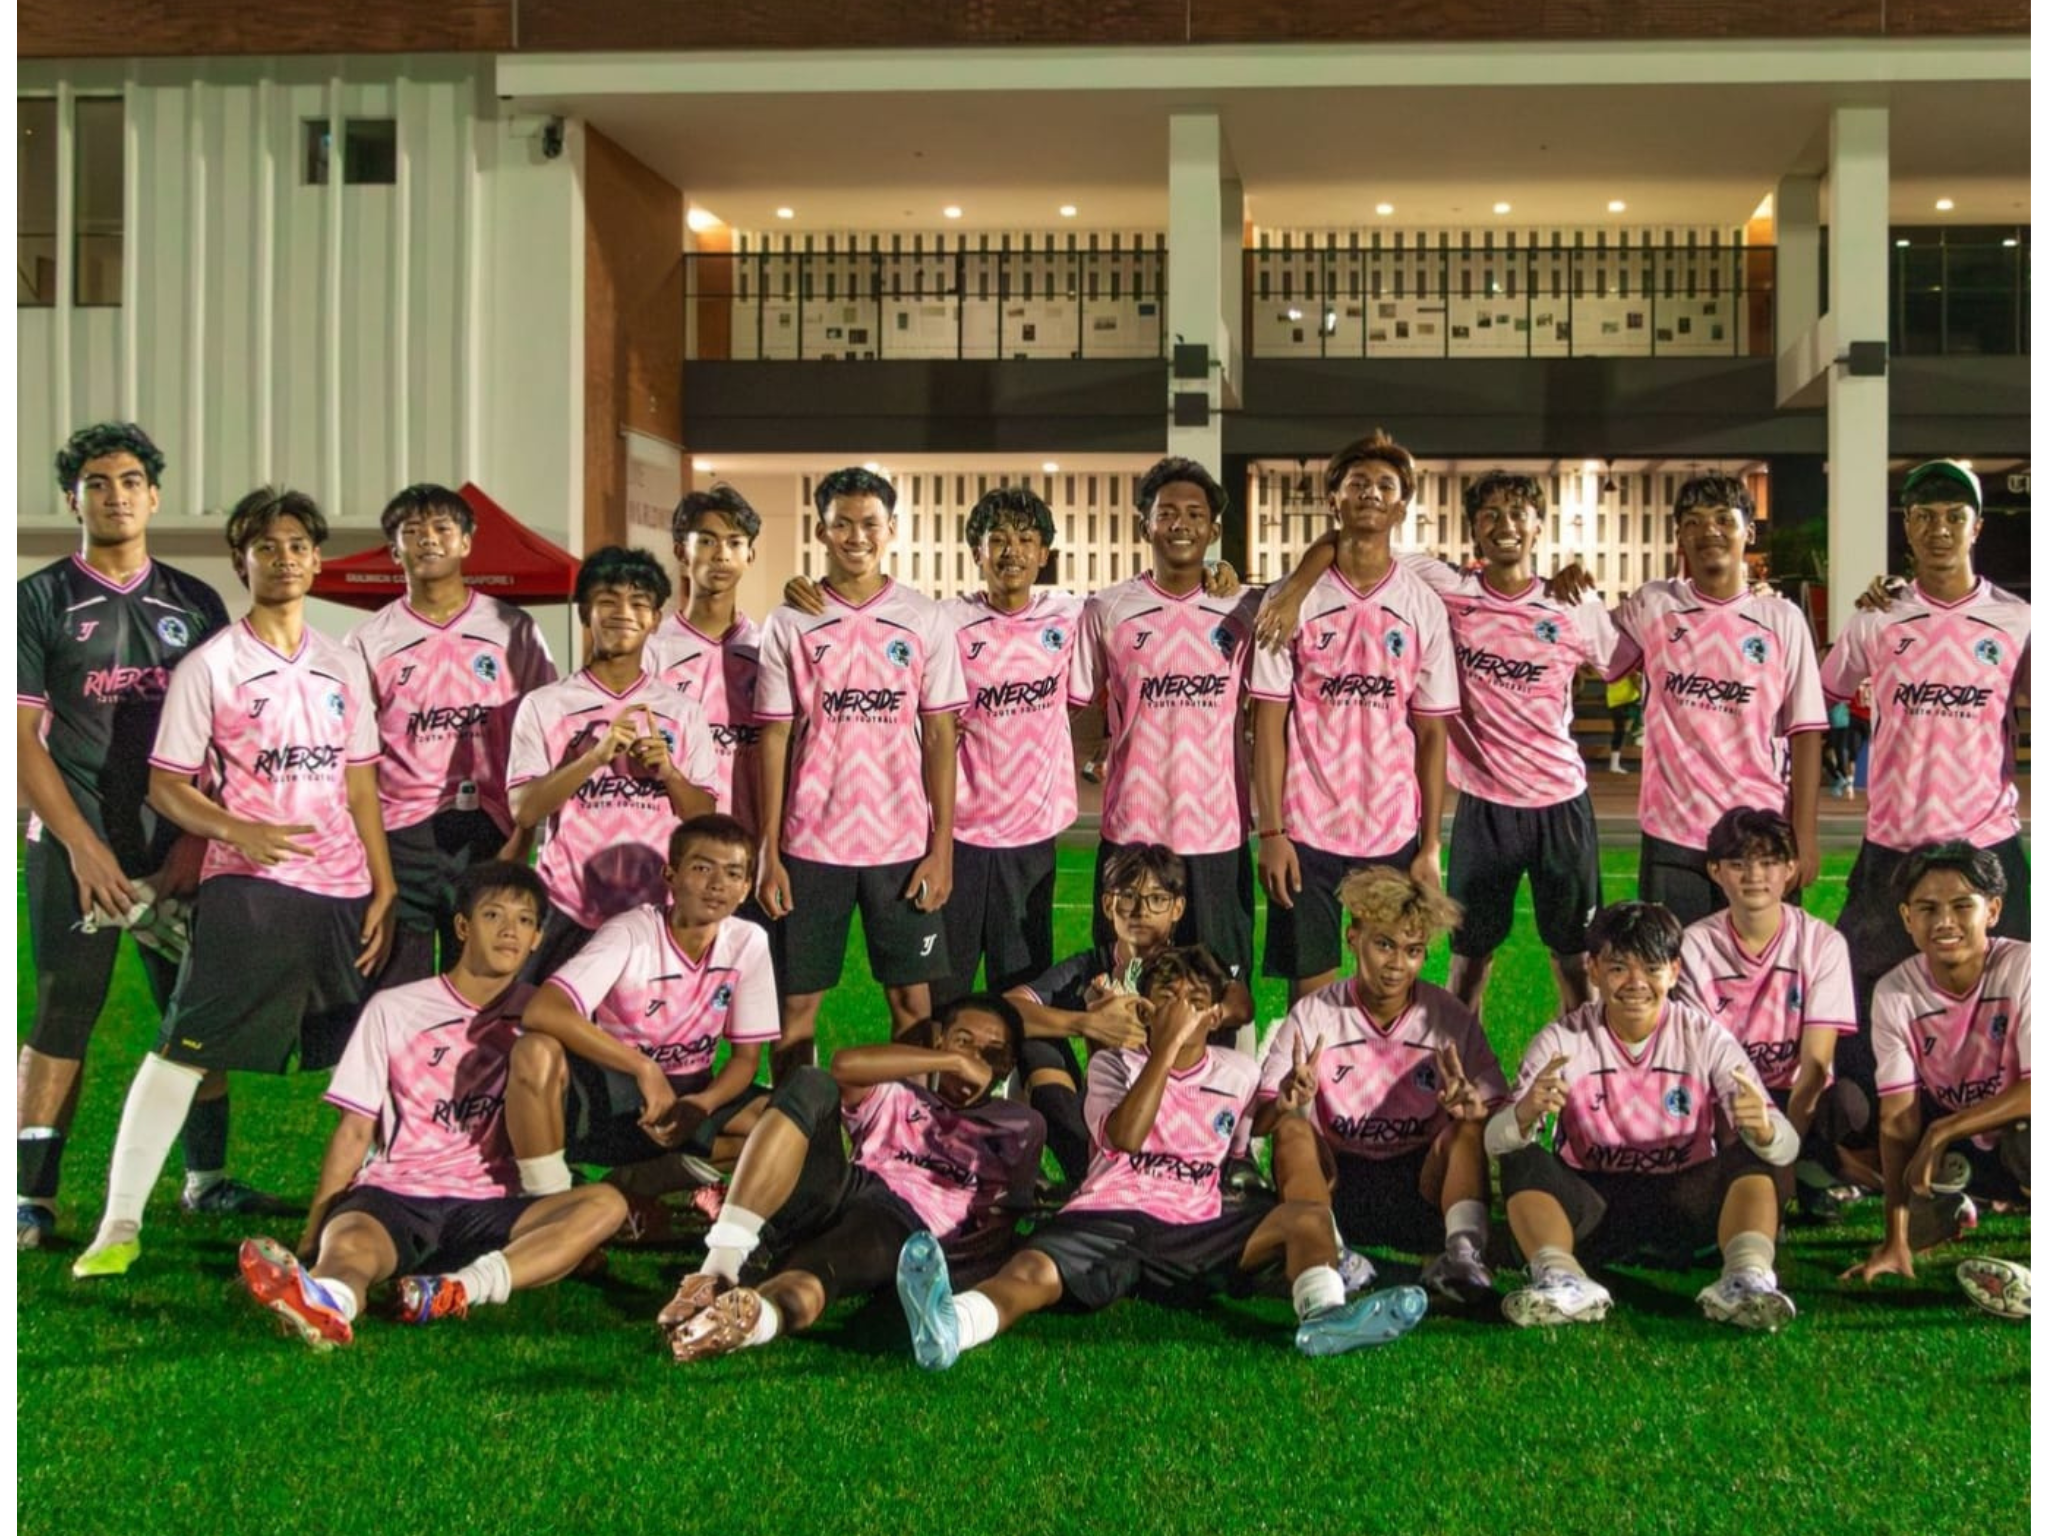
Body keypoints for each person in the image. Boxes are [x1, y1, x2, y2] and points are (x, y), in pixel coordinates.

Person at [73, 487, 397, 1279]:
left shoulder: (341, 660)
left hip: (343, 893)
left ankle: (395, 1204)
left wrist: (383, 885)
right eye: (266, 545)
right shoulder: (210, 665)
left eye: (297, 545)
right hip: (250, 892)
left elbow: (360, 786)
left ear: (316, 560)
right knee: (184, 1050)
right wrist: (237, 830)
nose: (283, 557)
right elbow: (167, 785)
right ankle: (118, 1224)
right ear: (240, 561)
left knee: (380, 1057)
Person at [891, 947, 1431, 1368]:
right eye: (1167, 996)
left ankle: (1325, 1317)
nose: (1180, 1008)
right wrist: (1166, 1050)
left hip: (1195, 1226)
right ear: (1148, 1008)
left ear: (1216, 1013)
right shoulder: (1114, 1067)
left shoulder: (1236, 1072)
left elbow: (1252, 1125)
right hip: (1109, 1213)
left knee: (1307, 1218)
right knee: (1033, 1272)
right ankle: (951, 1326)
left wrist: (1288, 1099)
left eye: (1194, 999)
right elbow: (1125, 1136)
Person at [16, 423, 279, 1247]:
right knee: (67, 1009)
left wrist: (192, 849)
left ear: (154, 496)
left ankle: (206, 1180)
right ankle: (32, 1197)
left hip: (172, 845)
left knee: (193, 1011)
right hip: (74, 840)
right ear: (74, 499)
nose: (116, 495)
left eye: (131, 481)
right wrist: (84, 847)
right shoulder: (38, 598)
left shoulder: (192, 604)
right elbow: (19, 740)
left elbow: (221, 739)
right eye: (97, 483)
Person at [1258, 465, 1614, 1015]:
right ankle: (1454, 1076)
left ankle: (1591, 1083)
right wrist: (1300, 584)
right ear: (1473, 530)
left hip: (1560, 804)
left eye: (1518, 514)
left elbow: (1624, 659)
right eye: (1490, 515)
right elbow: (1350, 538)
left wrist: (1579, 580)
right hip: (1482, 805)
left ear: (1540, 527)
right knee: (1467, 962)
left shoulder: (1573, 608)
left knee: (1573, 960)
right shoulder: (1447, 588)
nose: (1504, 525)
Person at [234, 862, 626, 1349]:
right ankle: (328, 1302)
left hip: (497, 1203)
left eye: (525, 921)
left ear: (537, 938)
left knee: (605, 1204)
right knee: (351, 1244)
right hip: (400, 1193)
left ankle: (456, 1290)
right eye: (493, 915)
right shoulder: (395, 1009)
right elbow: (355, 1131)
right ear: (462, 927)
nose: (509, 930)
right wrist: (315, 1228)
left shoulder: (545, 1015)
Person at [659, 995, 1046, 1362]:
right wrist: (950, 1061)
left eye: (991, 1051)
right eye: (964, 1041)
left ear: (1007, 1063)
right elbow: (842, 1066)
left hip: (902, 1222)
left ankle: (755, 1318)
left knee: (823, 1270)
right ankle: (716, 1271)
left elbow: (1002, 1217)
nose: (974, 1058)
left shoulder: (1019, 1124)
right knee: (811, 1082)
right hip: (842, 1188)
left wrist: (951, 1272)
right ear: (940, 1039)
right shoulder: (900, 1093)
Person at [1819, 460, 2030, 1099]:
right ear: (1907, 529)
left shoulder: (2019, 621)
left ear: (1976, 528)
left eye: (1953, 517)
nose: (1940, 529)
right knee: (1854, 982)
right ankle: (1860, 1132)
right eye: (1924, 517)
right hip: (1895, 842)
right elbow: (1819, 695)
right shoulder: (1877, 619)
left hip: (1986, 841)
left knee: (2014, 988)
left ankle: (2007, 1129)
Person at [1488, 902, 1802, 1331]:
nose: (1636, 983)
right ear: (1594, 970)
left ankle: (1746, 1280)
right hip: (1595, 1211)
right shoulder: (1563, 1039)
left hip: (1684, 1202)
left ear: (1674, 972)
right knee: (1520, 1156)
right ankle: (1561, 1278)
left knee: (1760, 1152)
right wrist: (1523, 1114)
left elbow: (1788, 1145)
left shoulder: (1704, 1036)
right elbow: (1495, 1141)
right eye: (1619, 968)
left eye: (1652, 968)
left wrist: (1765, 1128)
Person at [754, 467, 967, 1074]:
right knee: (796, 1007)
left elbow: (941, 735)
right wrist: (770, 849)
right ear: (821, 531)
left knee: (912, 1003)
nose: (856, 535)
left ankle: (907, 1134)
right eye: (842, 523)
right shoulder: (790, 621)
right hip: (810, 843)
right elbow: (774, 735)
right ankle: (803, 1144)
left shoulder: (924, 618)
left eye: (869, 523)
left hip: (900, 843)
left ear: (891, 530)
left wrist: (941, 846)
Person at [1246, 431, 1459, 1000]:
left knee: (1386, 991)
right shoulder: (1289, 603)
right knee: (1310, 997)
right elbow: (1268, 724)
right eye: (1356, 483)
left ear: (1402, 506)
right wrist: (1271, 831)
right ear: (1332, 500)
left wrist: (1431, 844)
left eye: (1385, 485)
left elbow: (1432, 732)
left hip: (1390, 830)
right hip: (1307, 829)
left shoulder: (1422, 605)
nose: (1370, 493)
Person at [1251, 867, 1506, 1306]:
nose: (1395, 963)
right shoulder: (1315, 1014)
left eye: (1412, 950)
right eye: (1384, 945)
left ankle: (1463, 1258)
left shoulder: (1447, 1016)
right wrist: (1285, 1104)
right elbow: (1259, 1122)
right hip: (1337, 1185)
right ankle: (1329, 1251)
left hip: (1421, 1184)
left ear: (1424, 956)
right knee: (1292, 1130)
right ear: (1354, 939)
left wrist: (1476, 1109)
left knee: (1468, 1130)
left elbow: (1500, 1112)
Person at [347, 483, 557, 985]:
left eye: (442, 528)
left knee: (484, 979)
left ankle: (476, 1066)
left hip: (491, 828)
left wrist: (526, 832)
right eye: (412, 531)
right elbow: (354, 756)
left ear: (466, 541)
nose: (428, 540)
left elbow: (547, 731)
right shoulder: (368, 639)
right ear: (394, 549)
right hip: (405, 830)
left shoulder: (514, 628)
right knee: (400, 985)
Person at [506, 815, 778, 1197]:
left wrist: (703, 1104)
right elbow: (542, 1011)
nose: (718, 885)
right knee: (534, 1051)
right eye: (702, 868)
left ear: (747, 887)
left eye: (733, 874)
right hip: (614, 1095)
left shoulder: (748, 941)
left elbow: (745, 1060)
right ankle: (547, 1203)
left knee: (783, 1120)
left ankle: (635, 1189)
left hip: (688, 1094)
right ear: (671, 875)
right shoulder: (631, 932)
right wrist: (642, 1068)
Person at [1601, 474, 1826, 925]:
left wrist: (1804, 832)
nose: (1710, 531)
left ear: (1750, 530)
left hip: (1759, 835)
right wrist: (1565, 592)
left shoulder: (1781, 619)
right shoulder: (1654, 605)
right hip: (1673, 831)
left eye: (1724, 519)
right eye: (1694, 521)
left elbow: (1806, 732)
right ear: (1679, 535)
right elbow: (1596, 648)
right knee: (1675, 975)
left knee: (1761, 978)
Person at [1072, 458, 1262, 987]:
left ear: (1214, 530)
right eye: (1167, 513)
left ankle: (1222, 1075)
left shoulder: (1244, 609)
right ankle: (1121, 1075)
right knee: (1126, 986)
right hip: (1133, 828)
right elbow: (1080, 700)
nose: (1180, 523)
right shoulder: (1107, 609)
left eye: (1195, 514)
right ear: (1145, 526)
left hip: (1217, 830)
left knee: (1222, 989)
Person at [506, 545, 716, 981]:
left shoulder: (683, 711)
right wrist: (593, 758)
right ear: (584, 613)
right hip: (566, 905)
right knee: (546, 1039)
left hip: (655, 908)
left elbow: (704, 816)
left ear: (656, 619)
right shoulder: (546, 705)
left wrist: (669, 773)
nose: (623, 613)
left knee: (640, 1041)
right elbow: (524, 809)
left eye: (639, 603)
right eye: (607, 601)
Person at [1842, 843, 2031, 1320]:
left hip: (2011, 1132)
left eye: (1961, 906)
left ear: (1993, 911)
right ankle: (1955, 1202)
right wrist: (1894, 1240)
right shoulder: (1895, 992)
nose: (1944, 921)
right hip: (1969, 1145)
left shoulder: (2027, 968)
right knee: (1916, 1192)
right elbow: (1898, 1118)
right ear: (1907, 918)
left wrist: (1943, 1131)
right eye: (1927, 908)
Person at [1005, 843, 1252, 1192]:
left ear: (1178, 907)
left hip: (1181, 1131)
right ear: (1108, 904)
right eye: (1128, 897)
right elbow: (1007, 1009)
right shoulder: (1087, 967)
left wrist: (1169, 1025)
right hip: (1108, 1131)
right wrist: (1087, 1023)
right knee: (1033, 1037)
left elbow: (1241, 1004)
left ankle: (1238, 1154)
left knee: (1231, 1026)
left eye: (1157, 899)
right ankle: (1035, 1161)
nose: (1141, 910)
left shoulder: (1192, 964)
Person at [1676, 807, 1866, 1222]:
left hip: (1794, 1099)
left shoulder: (1822, 943)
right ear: (1715, 871)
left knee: (1848, 1104)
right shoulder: (1693, 946)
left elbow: (1816, 1063)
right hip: (1727, 1099)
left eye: (1769, 863)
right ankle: (1765, 1172)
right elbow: (1706, 1064)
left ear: (1791, 869)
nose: (1754, 876)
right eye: (1738, 864)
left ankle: (1809, 1164)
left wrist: (1783, 1150)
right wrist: (1744, 1149)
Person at [644, 484, 765, 836]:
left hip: (748, 846)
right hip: (673, 844)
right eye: (708, 541)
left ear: (750, 556)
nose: (722, 554)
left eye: (735, 542)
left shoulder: (766, 650)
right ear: (682, 552)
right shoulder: (654, 651)